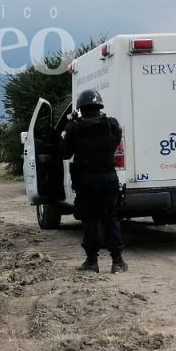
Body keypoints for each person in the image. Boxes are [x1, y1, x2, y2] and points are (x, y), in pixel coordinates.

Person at [59, 89, 126, 274]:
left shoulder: (73, 127)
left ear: (80, 107)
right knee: (111, 218)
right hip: (108, 179)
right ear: (99, 105)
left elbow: (64, 152)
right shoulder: (112, 124)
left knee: (90, 220)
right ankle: (117, 262)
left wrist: (69, 125)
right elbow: (115, 142)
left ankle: (91, 262)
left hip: (86, 180)